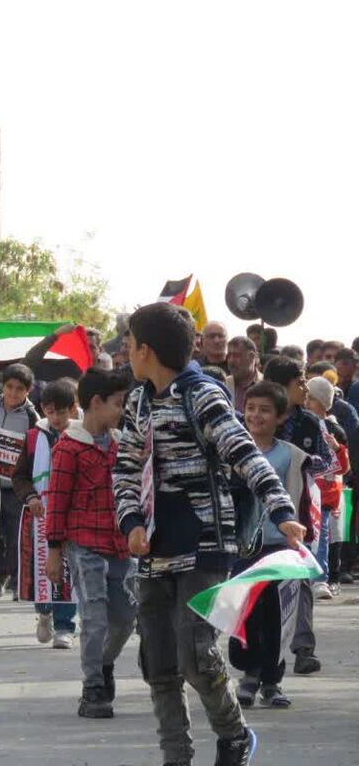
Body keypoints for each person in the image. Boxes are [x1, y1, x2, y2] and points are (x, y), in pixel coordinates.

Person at [113, 302, 303, 766]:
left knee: (196, 657)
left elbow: (246, 454)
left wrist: (282, 511)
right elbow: (125, 468)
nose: (125, 352)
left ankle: (234, 734)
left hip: (205, 547)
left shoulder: (203, 395)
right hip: (153, 549)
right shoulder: (138, 400)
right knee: (157, 661)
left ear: (146, 350)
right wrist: (132, 523)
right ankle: (176, 755)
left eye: (129, 344)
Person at [47, 368, 133, 719]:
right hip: (84, 544)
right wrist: (55, 552)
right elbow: (57, 501)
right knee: (94, 618)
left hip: (121, 545)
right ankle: (93, 686)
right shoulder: (69, 447)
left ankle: (103, 663)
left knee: (125, 620)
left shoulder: (121, 444)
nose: (121, 411)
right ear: (96, 403)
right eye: (117, 404)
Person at [231, 382, 312, 709]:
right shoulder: (232, 451)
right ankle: (249, 673)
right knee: (246, 611)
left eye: (265, 410)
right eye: (251, 408)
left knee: (276, 615)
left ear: (280, 417)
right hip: (242, 548)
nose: (255, 415)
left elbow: (304, 501)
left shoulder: (291, 456)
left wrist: (302, 541)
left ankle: (272, 680)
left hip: (279, 546)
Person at [263, 356, 332, 675]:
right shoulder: (257, 418)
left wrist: (303, 461)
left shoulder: (310, 422)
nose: (305, 388)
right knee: (264, 585)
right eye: (299, 382)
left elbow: (330, 464)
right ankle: (261, 659)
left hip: (300, 511)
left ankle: (303, 648)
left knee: (301, 578)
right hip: (260, 519)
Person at [13, 378, 80, 643]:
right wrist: (30, 497)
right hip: (40, 514)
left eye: (61, 412)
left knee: (68, 570)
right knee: (41, 569)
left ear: (72, 410)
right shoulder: (33, 437)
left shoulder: (82, 434)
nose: (55, 418)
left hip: (73, 515)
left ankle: (65, 627)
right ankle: (43, 612)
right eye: (50, 412)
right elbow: (20, 476)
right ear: (43, 409)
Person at [0, 363, 40, 599]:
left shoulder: (33, 417)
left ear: (28, 391)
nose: (13, 393)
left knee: (16, 536)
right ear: (3, 386)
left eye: (19, 389)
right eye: (9, 387)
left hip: (16, 487)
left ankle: (16, 578)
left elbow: (35, 452)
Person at [304, 376, 349, 599]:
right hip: (306, 490)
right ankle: (308, 576)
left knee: (321, 537)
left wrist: (337, 448)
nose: (306, 402)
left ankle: (320, 578)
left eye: (311, 398)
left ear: (323, 402)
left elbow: (343, 467)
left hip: (326, 495)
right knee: (310, 535)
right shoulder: (301, 423)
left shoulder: (334, 430)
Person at [227, 337, 261, 414]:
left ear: (252, 356)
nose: (231, 360)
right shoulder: (224, 384)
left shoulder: (266, 383)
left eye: (236, 355)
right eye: (229, 355)